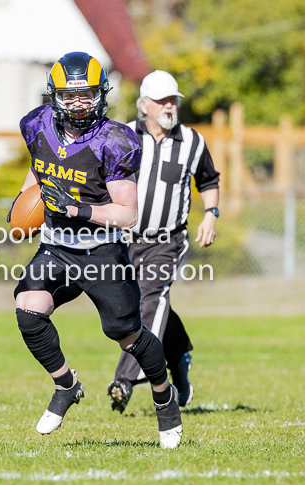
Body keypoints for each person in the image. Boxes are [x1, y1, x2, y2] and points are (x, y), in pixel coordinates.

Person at [11, 52, 182, 449]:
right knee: (28, 311)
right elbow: (38, 167)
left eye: (86, 95)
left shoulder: (115, 140)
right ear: (54, 96)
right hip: (56, 246)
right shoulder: (37, 125)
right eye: (70, 97)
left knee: (126, 335)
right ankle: (66, 385)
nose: (78, 104)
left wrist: (76, 208)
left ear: (101, 95)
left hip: (101, 250)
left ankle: (164, 397)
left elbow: (127, 214)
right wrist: (25, 201)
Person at [107, 70, 220, 413]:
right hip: (126, 239)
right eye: (162, 100)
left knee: (150, 300)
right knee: (130, 305)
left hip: (168, 240)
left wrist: (212, 214)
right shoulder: (124, 137)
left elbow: (209, 179)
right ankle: (179, 353)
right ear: (144, 105)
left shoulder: (192, 141)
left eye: (173, 99)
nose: (169, 106)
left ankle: (124, 380)